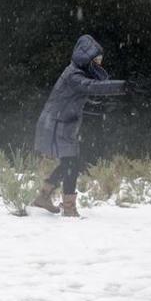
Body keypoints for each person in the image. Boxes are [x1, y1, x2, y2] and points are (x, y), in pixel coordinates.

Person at [32, 35, 136, 217]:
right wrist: (123, 86)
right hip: (57, 124)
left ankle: (44, 196)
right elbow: (92, 87)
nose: (99, 63)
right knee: (71, 164)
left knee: (70, 163)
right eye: (97, 60)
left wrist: (102, 106)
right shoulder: (74, 75)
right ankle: (68, 208)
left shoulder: (75, 73)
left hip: (61, 123)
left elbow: (76, 99)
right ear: (86, 58)